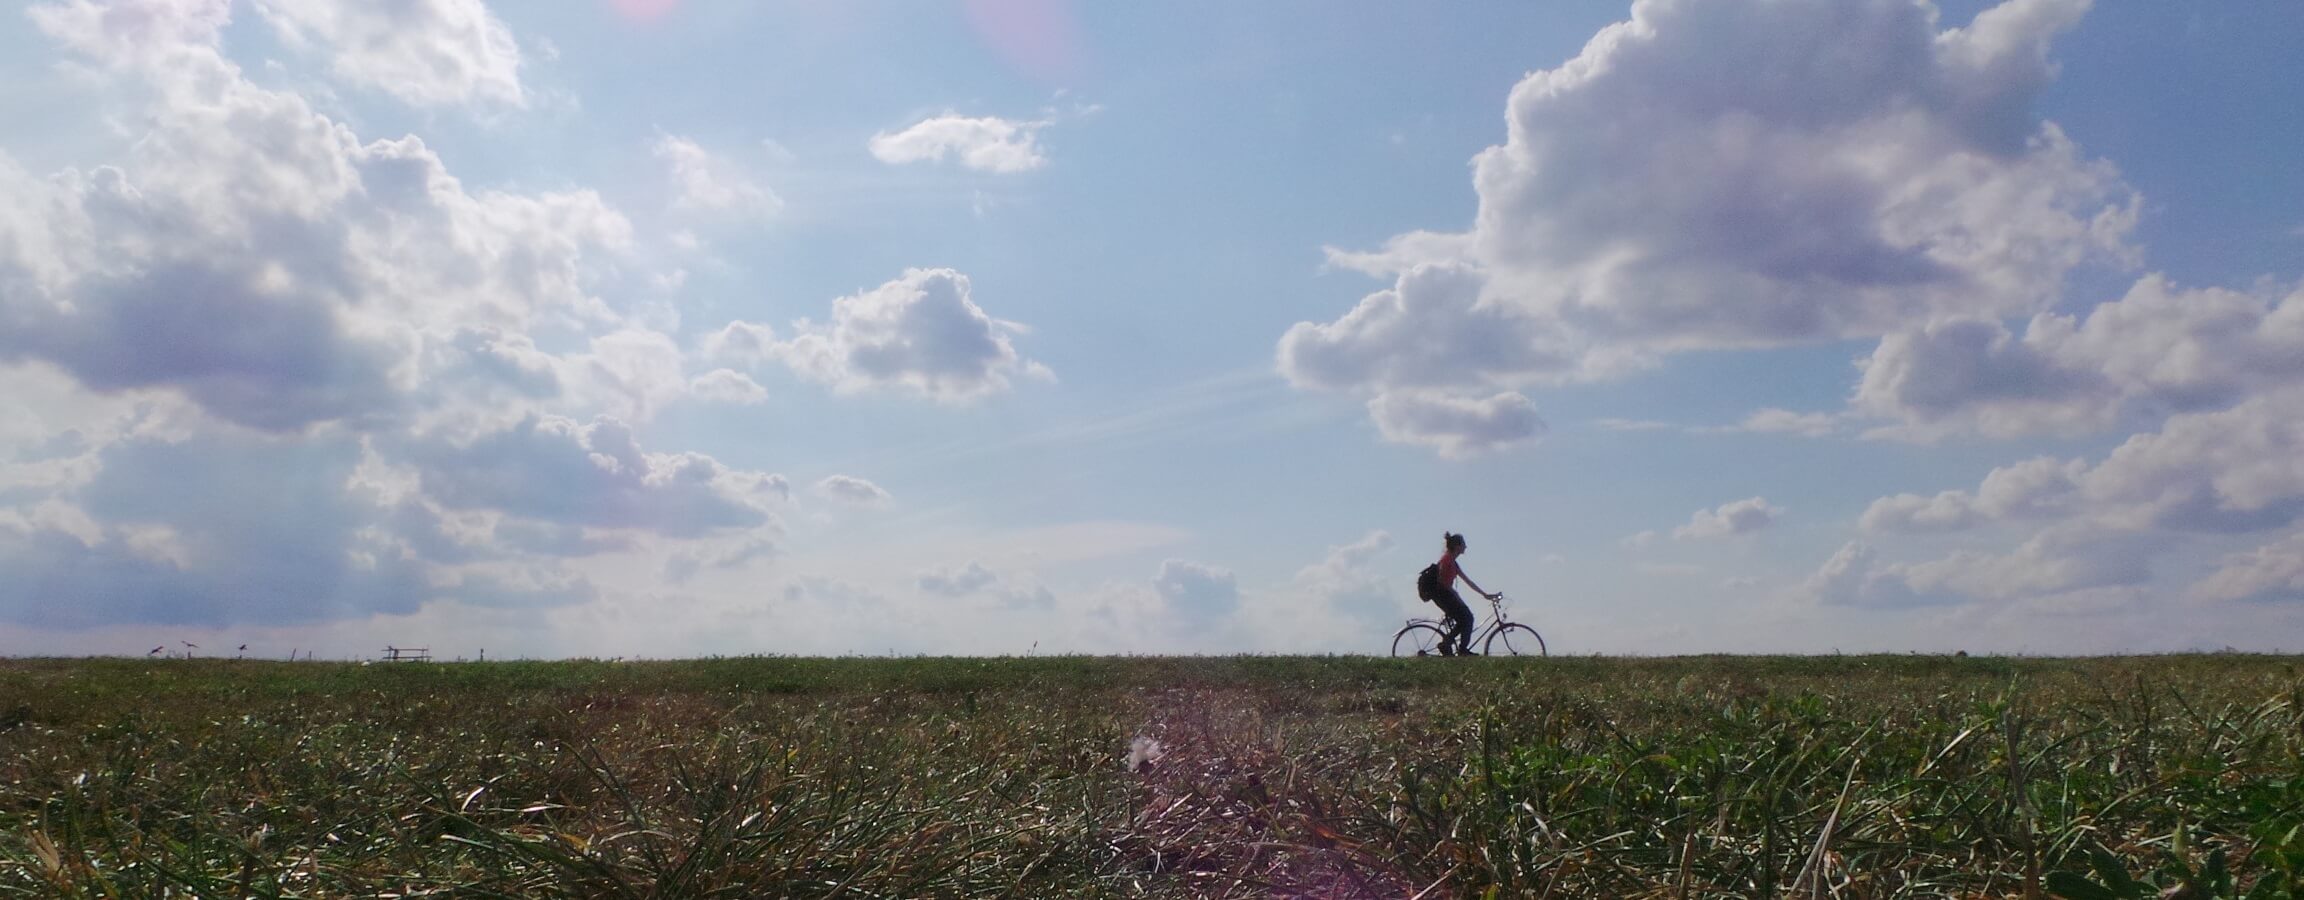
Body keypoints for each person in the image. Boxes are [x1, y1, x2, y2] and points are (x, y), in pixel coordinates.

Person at [1432, 532, 1499, 656]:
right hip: (1442, 596)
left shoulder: (1453, 562)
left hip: (1447, 595)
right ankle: (1460, 649)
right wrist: (1454, 593)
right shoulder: (1446, 560)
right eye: (1464, 544)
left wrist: (1485, 594)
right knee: (1467, 618)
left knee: (1465, 619)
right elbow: (1441, 581)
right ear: (1457, 546)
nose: (1465, 547)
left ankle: (1448, 644)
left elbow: (1468, 581)